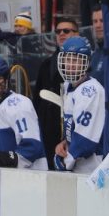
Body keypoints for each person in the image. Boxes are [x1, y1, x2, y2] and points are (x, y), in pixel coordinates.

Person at [53, 36, 105, 173]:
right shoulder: (68, 86)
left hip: (94, 167)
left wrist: (65, 161)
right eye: (67, 59)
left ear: (87, 63)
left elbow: (85, 140)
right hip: (78, 165)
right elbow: (73, 126)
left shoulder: (91, 91)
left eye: (76, 60)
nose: (70, 64)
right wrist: (65, 143)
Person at [35, 19, 81, 167]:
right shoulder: (46, 64)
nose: (61, 34)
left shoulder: (83, 65)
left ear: (76, 34)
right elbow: (37, 99)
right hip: (47, 129)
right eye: (58, 31)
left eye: (66, 31)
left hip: (71, 130)